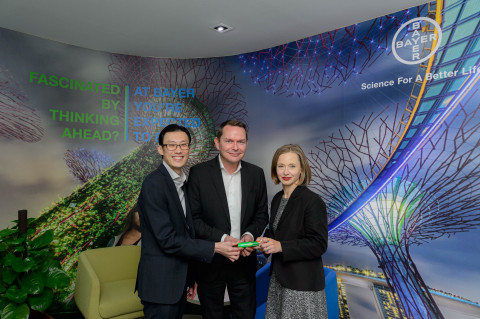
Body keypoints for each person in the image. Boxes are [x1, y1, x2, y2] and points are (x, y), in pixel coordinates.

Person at [136, 124, 241, 319]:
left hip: (178, 283)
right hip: (160, 286)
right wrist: (215, 247)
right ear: (160, 149)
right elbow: (167, 239)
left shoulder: (183, 182)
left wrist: (190, 277)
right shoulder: (154, 184)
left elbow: (187, 232)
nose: (178, 150)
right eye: (172, 145)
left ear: (189, 149)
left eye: (183, 145)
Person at [187, 120, 269, 319]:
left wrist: (248, 235)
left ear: (246, 144)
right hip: (210, 263)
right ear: (217, 143)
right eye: (229, 141)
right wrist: (223, 238)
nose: (235, 147)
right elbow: (193, 220)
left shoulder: (256, 174)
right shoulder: (198, 173)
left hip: (244, 261)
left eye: (240, 141)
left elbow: (262, 215)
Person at [256, 144, 328, 319]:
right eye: (281, 166)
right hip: (278, 281)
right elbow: (277, 234)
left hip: (301, 286)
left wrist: (280, 246)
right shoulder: (277, 199)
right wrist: (264, 242)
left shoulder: (312, 201)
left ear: (302, 169)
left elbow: (318, 244)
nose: (286, 171)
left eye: (292, 166)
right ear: (275, 169)